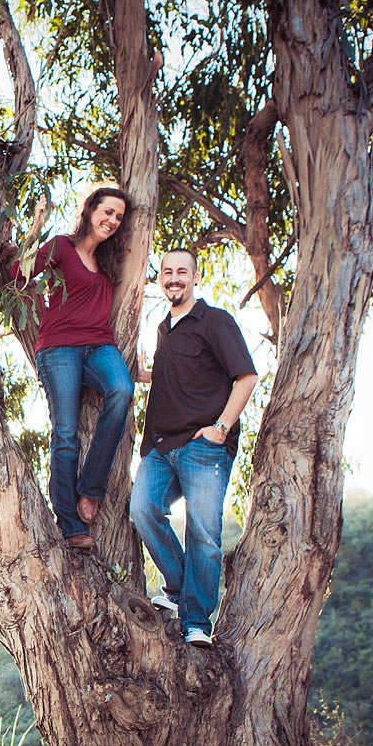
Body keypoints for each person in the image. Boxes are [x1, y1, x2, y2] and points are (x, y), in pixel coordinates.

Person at [131, 248, 258, 647]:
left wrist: (221, 428)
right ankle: (179, 589)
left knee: (203, 533)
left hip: (203, 447)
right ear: (160, 279)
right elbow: (178, 376)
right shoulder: (163, 329)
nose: (174, 278)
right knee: (142, 509)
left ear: (196, 277)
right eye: (167, 272)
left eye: (181, 272)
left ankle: (197, 622)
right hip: (159, 445)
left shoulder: (215, 321)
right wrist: (142, 373)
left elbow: (247, 377)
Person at [18, 187, 135, 550]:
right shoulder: (61, 247)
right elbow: (17, 275)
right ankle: (70, 524)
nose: (113, 221)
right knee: (65, 433)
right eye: (108, 211)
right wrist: (35, 228)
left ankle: (91, 487)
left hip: (100, 345)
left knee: (122, 390)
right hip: (59, 349)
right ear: (90, 210)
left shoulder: (111, 261)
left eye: (118, 217)